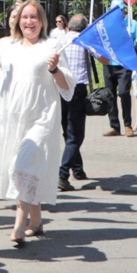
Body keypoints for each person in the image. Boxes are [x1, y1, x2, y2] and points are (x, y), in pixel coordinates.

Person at [0, 1, 72, 244]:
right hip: (12, 119)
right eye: (25, 17)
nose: (29, 22)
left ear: (42, 21)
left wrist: (55, 70)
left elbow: (67, 87)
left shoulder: (52, 46)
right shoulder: (6, 45)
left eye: (34, 17)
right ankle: (37, 221)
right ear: (18, 20)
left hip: (42, 118)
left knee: (22, 168)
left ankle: (19, 225)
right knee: (28, 170)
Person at [57, 14, 91, 191]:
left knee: (68, 131)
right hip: (78, 89)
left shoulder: (60, 39)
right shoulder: (85, 41)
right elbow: (105, 59)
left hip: (61, 88)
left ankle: (78, 170)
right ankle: (62, 174)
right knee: (76, 135)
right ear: (85, 27)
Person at [103, 0, 134, 137]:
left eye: (120, 10)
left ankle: (128, 124)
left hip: (124, 65)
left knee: (123, 93)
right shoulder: (106, 25)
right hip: (109, 65)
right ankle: (114, 126)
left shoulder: (132, 24)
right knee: (110, 95)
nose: (118, 12)